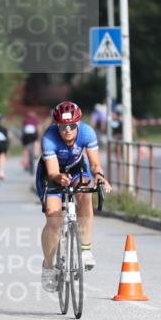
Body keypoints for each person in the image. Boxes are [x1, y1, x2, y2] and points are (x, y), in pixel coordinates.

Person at [37, 101, 111, 292]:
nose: (67, 130)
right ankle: (47, 266)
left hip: (77, 169)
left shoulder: (87, 132)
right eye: (63, 126)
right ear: (57, 125)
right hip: (52, 173)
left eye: (71, 126)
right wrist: (59, 178)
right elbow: (53, 172)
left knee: (85, 195)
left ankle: (85, 249)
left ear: (78, 124)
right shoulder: (49, 138)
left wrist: (100, 177)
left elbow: (94, 163)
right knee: (53, 217)